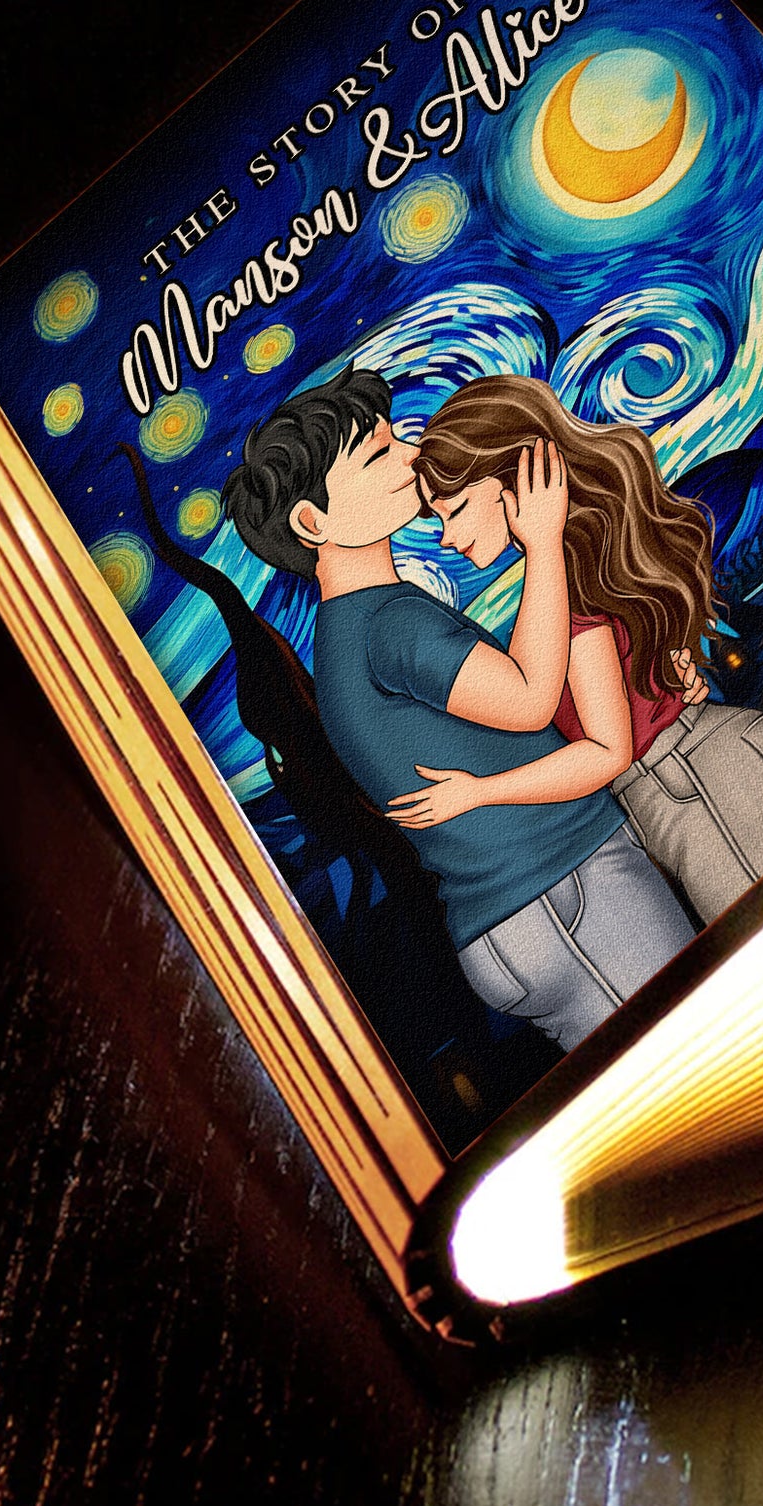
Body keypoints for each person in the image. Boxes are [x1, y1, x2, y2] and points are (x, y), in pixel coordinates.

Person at [218, 365, 695, 1052]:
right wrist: (543, 542)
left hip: (515, 918)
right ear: (312, 521)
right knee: (706, 1054)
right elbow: (529, 699)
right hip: (565, 891)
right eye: (380, 453)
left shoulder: (343, 639)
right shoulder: (389, 623)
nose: (411, 456)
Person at [394, 375, 763, 923]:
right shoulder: (573, 565)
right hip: (711, 767)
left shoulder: (567, 588)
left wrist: (478, 792)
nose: (447, 537)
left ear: (516, 479)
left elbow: (608, 752)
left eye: (456, 508)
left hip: (696, 790)